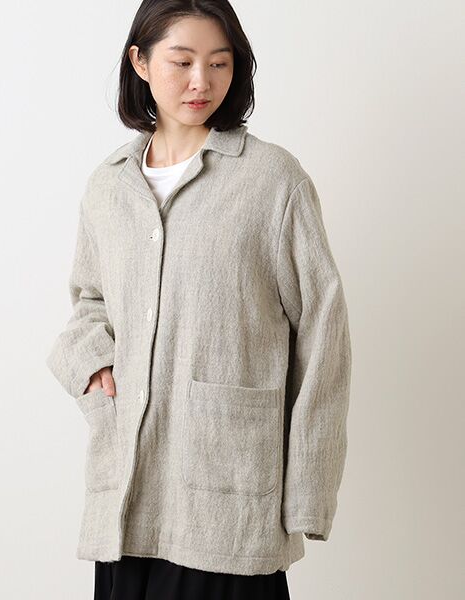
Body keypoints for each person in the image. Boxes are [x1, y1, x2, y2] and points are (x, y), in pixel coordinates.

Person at [46, 1, 352, 598]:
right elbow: (89, 300)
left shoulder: (272, 180)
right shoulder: (108, 185)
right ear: (139, 62)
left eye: (219, 63)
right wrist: (94, 366)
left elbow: (324, 334)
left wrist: (309, 493)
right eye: (182, 61)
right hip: (126, 497)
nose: (201, 82)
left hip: (228, 508)